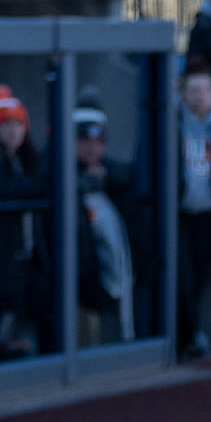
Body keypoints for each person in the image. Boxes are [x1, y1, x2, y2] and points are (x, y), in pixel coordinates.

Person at [71, 108, 141, 347]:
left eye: (98, 142)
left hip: (113, 282)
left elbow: (132, 174)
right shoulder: (61, 170)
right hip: (79, 279)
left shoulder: (110, 173)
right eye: (84, 141)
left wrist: (105, 178)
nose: (92, 148)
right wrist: (82, 183)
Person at [0, 88, 49, 362]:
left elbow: (42, 183)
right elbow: (6, 190)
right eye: (6, 124)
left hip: (28, 259)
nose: (14, 131)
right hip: (1, 262)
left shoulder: (27, 159)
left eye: (18, 124)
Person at [176, 66, 211, 358]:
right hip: (182, 213)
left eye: (204, 91)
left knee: (200, 277)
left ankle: (191, 337)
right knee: (183, 280)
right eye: (193, 91)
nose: (199, 98)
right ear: (183, 94)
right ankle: (186, 339)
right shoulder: (172, 121)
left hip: (209, 215)